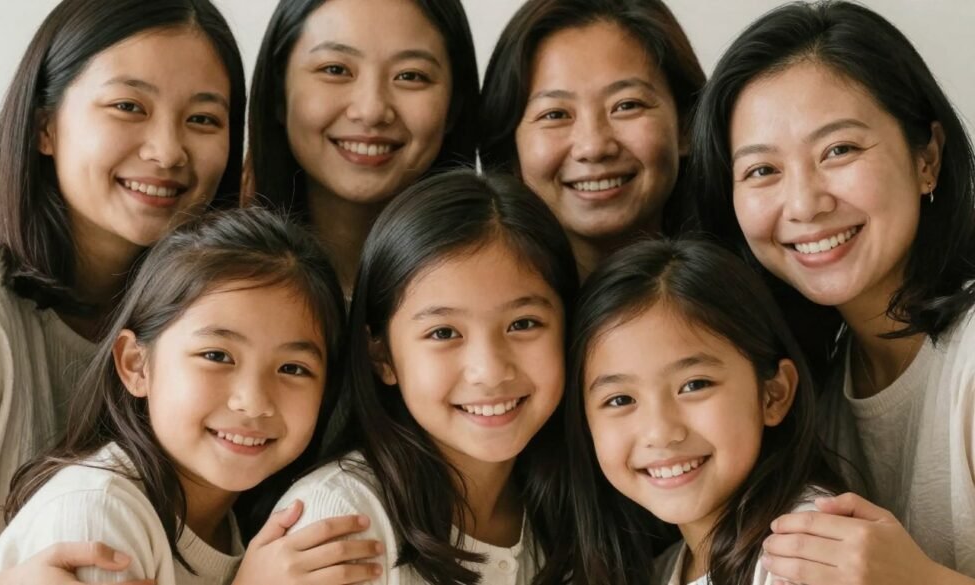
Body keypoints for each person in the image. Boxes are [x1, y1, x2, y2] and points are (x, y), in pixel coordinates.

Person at [0, 0, 246, 574]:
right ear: (45, 127)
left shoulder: (206, 317)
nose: (167, 151)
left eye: (203, 119)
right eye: (128, 107)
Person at [690, 1, 975, 582]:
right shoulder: (808, 390)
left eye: (838, 150)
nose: (804, 204)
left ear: (928, 158)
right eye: (762, 171)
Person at [0, 208, 383, 585]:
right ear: (137, 365)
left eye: (293, 368)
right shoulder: (99, 513)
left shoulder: (240, 528)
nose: (254, 401)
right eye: (217, 356)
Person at [273, 170, 577, 584]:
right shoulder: (340, 522)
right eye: (444, 333)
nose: (489, 371)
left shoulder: (573, 518)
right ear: (381, 355)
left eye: (523, 324)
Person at [563, 238, 842, 585]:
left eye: (694, 385)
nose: (660, 431)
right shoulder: (663, 570)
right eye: (620, 400)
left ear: (773, 394)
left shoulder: (808, 553)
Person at [244, 0, 480, 293]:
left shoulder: (495, 281)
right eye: (335, 69)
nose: (372, 110)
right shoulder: (213, 280)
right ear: (279, 93)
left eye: (410, 76)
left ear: (454, 106)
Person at [480, 0, 705, 278]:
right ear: (511, 149)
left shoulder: (739, 299)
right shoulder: (471, 303)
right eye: (555, 114)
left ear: (687, 126)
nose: (594, 147)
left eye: (627, 105)